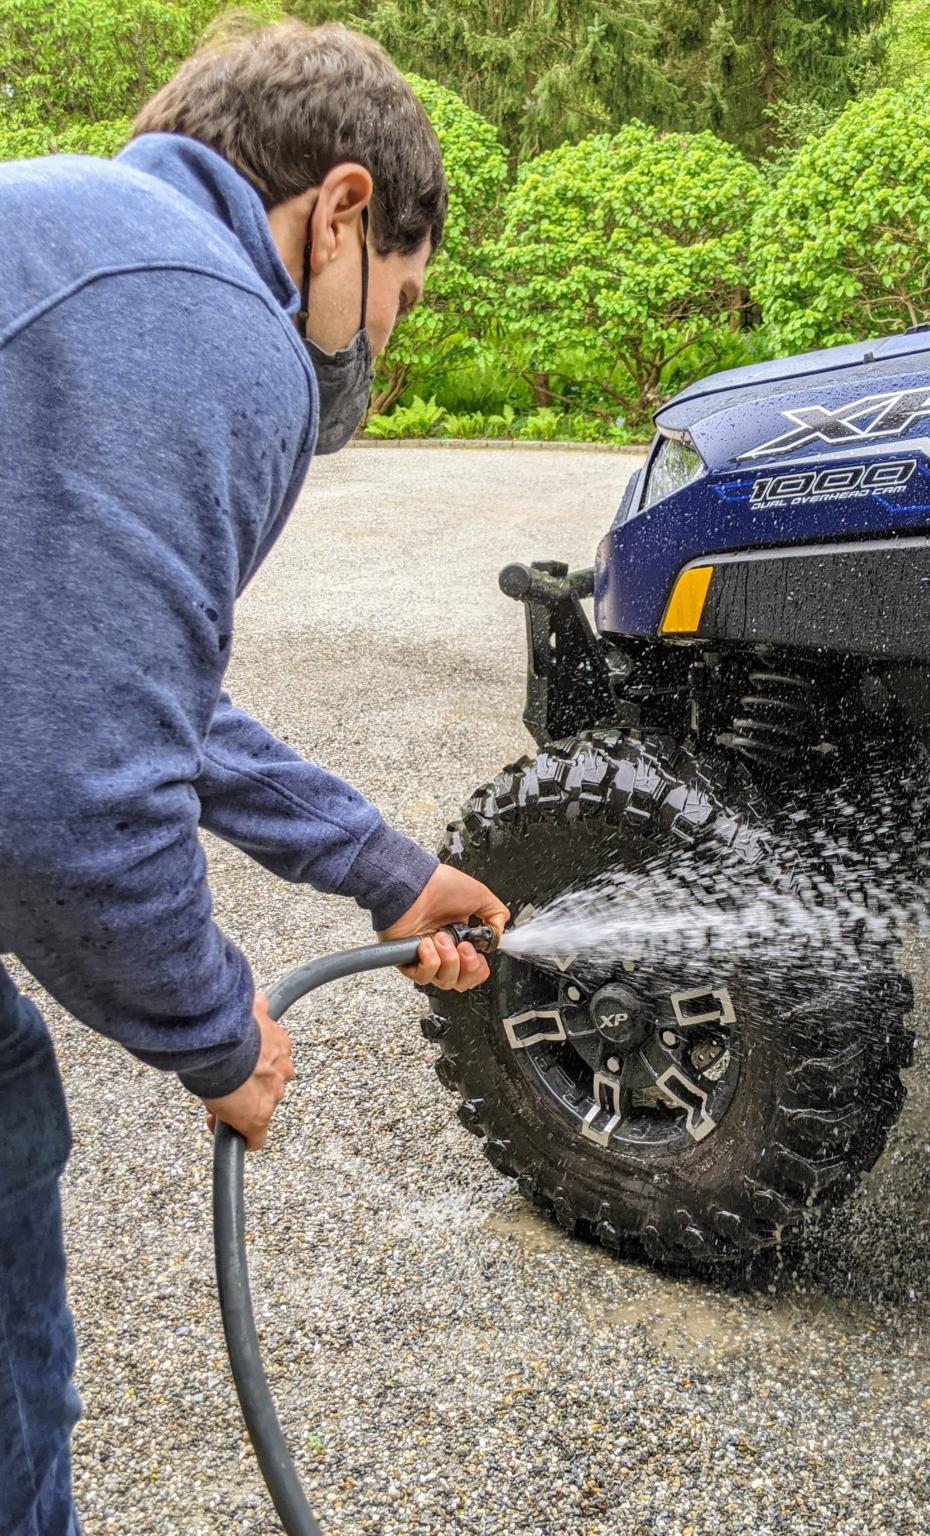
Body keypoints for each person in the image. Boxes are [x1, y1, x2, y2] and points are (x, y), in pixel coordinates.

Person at [0, 22, 509, 1534]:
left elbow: (99, 681)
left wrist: (379, 865)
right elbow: (68, 792)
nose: (377, 353)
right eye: (395, 306)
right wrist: (219, 1032)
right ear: (338, 209)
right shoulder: (200, 307)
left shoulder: (59, 228)